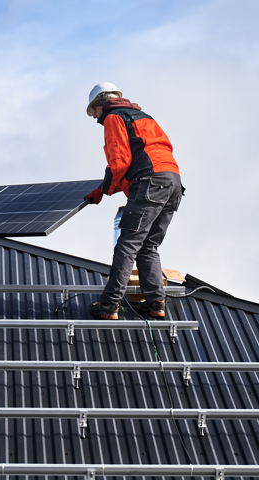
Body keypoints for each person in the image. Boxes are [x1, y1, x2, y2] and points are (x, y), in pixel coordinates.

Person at [82, 83, 183, 321]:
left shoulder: (113, 116)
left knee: (127, 244)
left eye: (93, 111)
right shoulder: (143, 117)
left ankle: (109, 305)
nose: (94, 116)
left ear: (100, 103)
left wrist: (102, 190)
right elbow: (149, 154)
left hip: (150, 182)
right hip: (173, 182)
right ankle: (156, 304)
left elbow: (120, 161)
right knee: (148, 246)